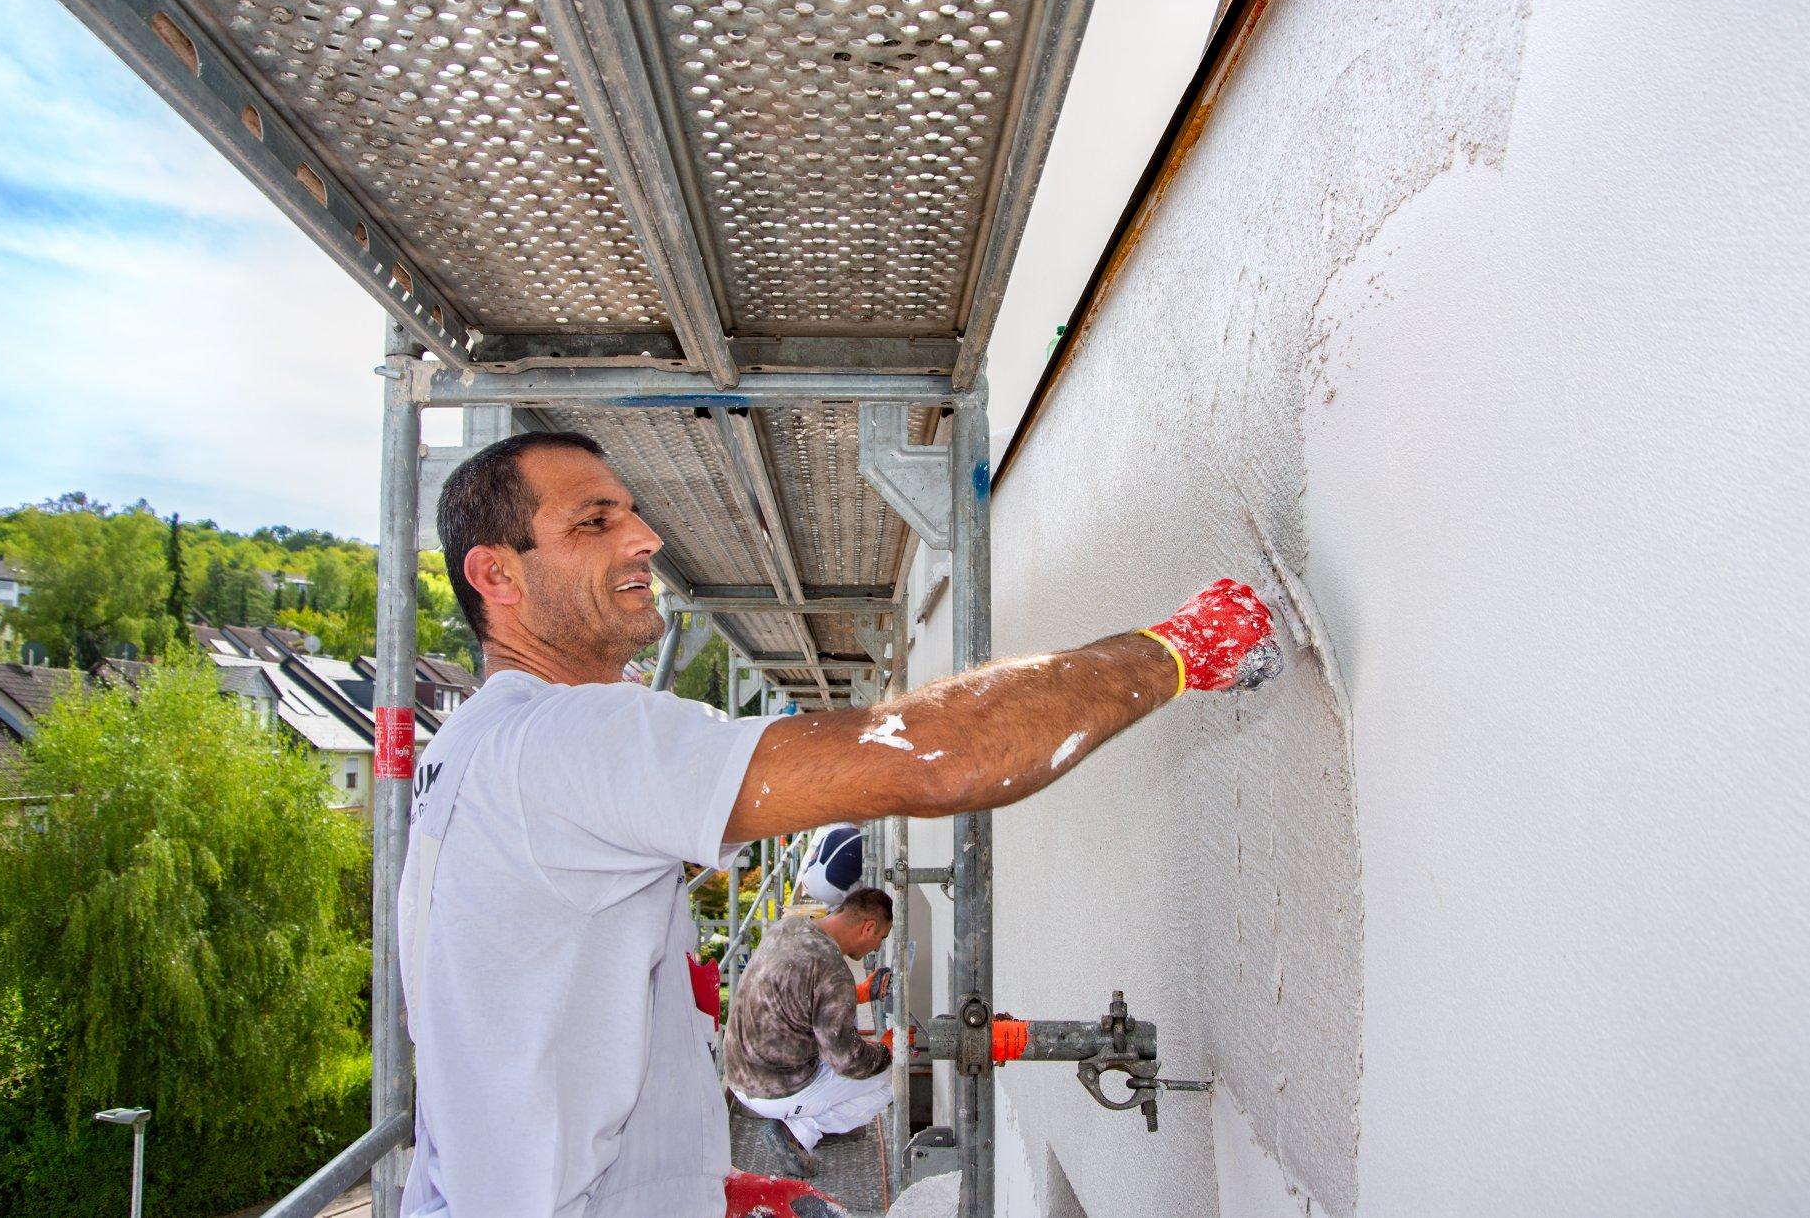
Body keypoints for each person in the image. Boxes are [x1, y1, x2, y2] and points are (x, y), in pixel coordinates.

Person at [396, 430, 1275, 1217]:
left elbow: (512, 1048)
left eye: (633, 512)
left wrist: (693, 1187)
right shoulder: (565, 740)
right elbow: (933, 755)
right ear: (496, 575)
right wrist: (1177, 650)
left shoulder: (476, 747)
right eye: (593, 523)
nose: (645, 538)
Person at [723, 887, 897, 1177]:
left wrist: (859, 994)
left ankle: (805, 1119)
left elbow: (799, 994)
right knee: (890, 1076)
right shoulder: (833, 968)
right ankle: (799, 1130)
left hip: (740, 1076)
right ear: (868, 927)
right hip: (774, 1088)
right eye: (880, 938)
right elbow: (848, 1061)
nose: (877, 948)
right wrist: (887, 1049)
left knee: (852, 1055)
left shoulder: (790, 927)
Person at [794, 821, 865, 906]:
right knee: (865, 887)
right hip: (829, 890)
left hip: (807, 883)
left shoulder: (832, 832)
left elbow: (812, 857)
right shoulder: (860, 840)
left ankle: (831, 911)